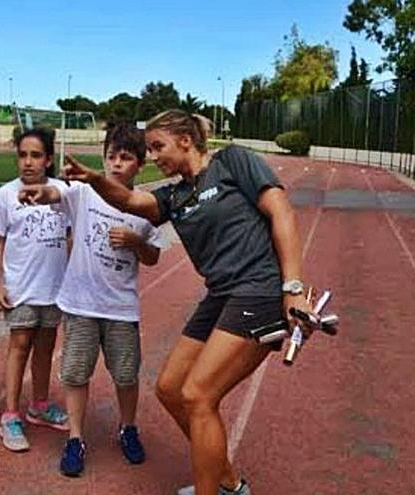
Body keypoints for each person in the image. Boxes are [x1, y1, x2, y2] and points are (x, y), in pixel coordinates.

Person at [44, 110, 310, 495]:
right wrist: (96, 180)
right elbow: (131, 200)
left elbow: (281, 211)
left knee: (199, 396)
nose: (152, 156)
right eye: (149, 149)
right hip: (221, 294)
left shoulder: (233, 161)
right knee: (170, 389)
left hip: (257, 289)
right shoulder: (175, 194)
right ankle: (229, 484)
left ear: (185, 140)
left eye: (158, 146)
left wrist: (293, 286)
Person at [19, 124, 162, 477]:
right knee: (75, 373)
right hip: (80, 304)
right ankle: (75, 438)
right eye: (111, 156)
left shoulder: (144, 207)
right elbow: (56, 194)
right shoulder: (84, 193)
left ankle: (128, 428)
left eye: (126, 158)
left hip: (120, 307)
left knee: (126, 375)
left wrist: (135, 242)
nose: (116, 164)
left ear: (139, 165)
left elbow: (153, 257)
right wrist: (38, 193)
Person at [0, 128, 70, 453]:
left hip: (54, 288)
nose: (28, 162)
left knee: (46, 347)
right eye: (22, 155)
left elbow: (72, 231)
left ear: (48, 159)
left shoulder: (62, 192)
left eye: (36, 155)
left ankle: (39, 404)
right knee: (19, 346)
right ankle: (10, 413)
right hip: (21, 286)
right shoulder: (6, 194)